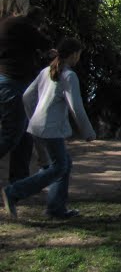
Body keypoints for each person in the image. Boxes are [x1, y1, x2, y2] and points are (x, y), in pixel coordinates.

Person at [2, 37, 96, 221]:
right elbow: (76, 107)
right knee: (58, 166)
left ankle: (56, 207)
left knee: (63, 165)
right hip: (51, 129)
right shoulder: (69, 76)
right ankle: (14, 192)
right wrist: (88, 132)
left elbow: (27, 96)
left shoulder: (46, 71)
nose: (79, 58)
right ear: (74, 54)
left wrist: (33, 117)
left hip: (38, 125)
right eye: (79, 54)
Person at [0, 0, 52, 183]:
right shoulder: (20, 23)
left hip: (6, 80)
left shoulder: (3, 23)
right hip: (15, 82)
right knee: (12, 134)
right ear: (21, 3)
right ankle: (18, 181)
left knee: (24, 134)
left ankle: (19, 184)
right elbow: (44, 42)